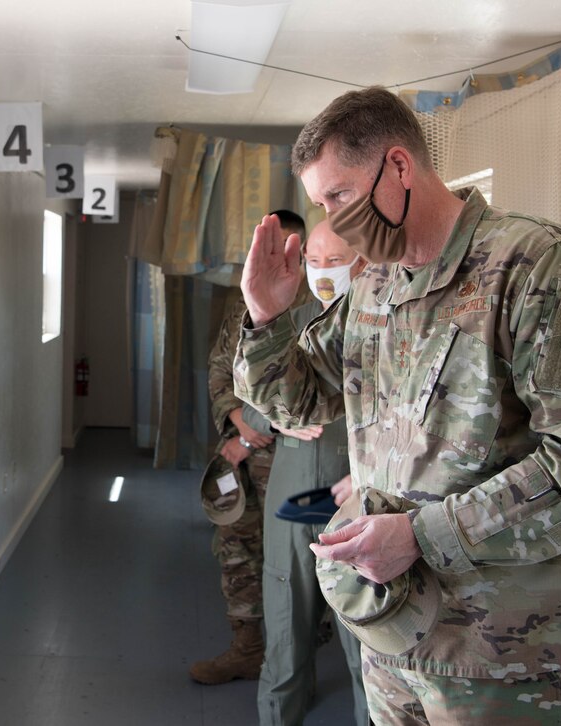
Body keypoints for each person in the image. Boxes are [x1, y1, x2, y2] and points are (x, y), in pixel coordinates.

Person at [234, 88, 561, 724]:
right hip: (392, 636)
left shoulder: (533, 269)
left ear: (398, 167)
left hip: (502, 653)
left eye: (339, 196)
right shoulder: (375, 285)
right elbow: (298, 402)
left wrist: (422, 536)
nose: (332, 223)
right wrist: (266, 316)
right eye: (320, 204)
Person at [241, 219, 370, 725]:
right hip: (295, 497)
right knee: (285, 627)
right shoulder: (286, 326)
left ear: (363, 261)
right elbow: (249, 404)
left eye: (335, 261)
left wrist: (369, 473)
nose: (322, 272)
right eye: (313, 261)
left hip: (357, 502)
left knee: (366, 645)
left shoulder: (384, 325)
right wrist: (279, 415)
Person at [189, 210, 306, 685]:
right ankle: (246, 648)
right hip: (239, 454)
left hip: (290, 459)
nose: (273, 258)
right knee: (237, 550)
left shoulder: (318, 304)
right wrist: (233, 417)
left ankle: (295, 657)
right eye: (266, 248)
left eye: (283, 248)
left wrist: (248, 430)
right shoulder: (244, 305)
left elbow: (309, 391)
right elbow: (221, 367)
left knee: (294, 558)